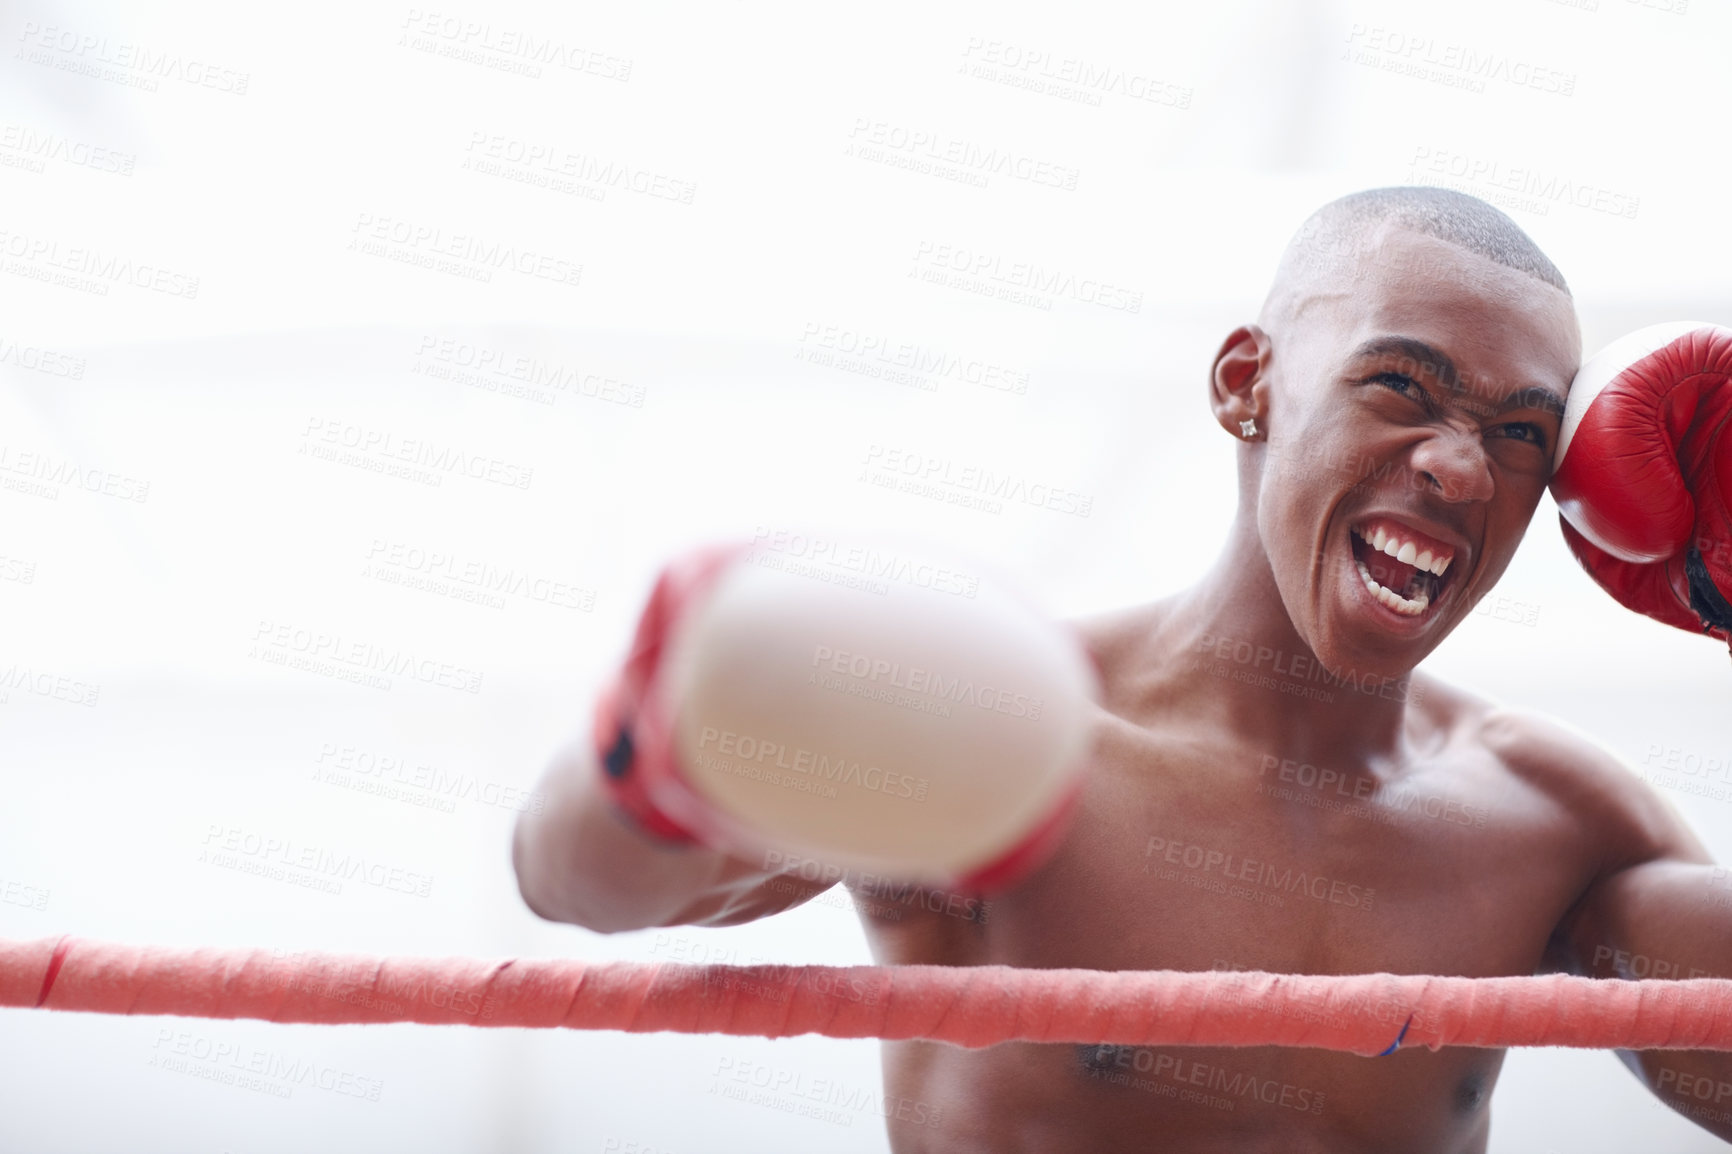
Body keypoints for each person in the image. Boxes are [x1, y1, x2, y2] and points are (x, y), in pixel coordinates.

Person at [512, 187, 1732, 1151]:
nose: (1462, 469)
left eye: (1520, 430)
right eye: (1400, 383)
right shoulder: (1010, 729)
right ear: (1246, 384)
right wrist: (669, 733)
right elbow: (580, 886)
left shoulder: (1552, 821)